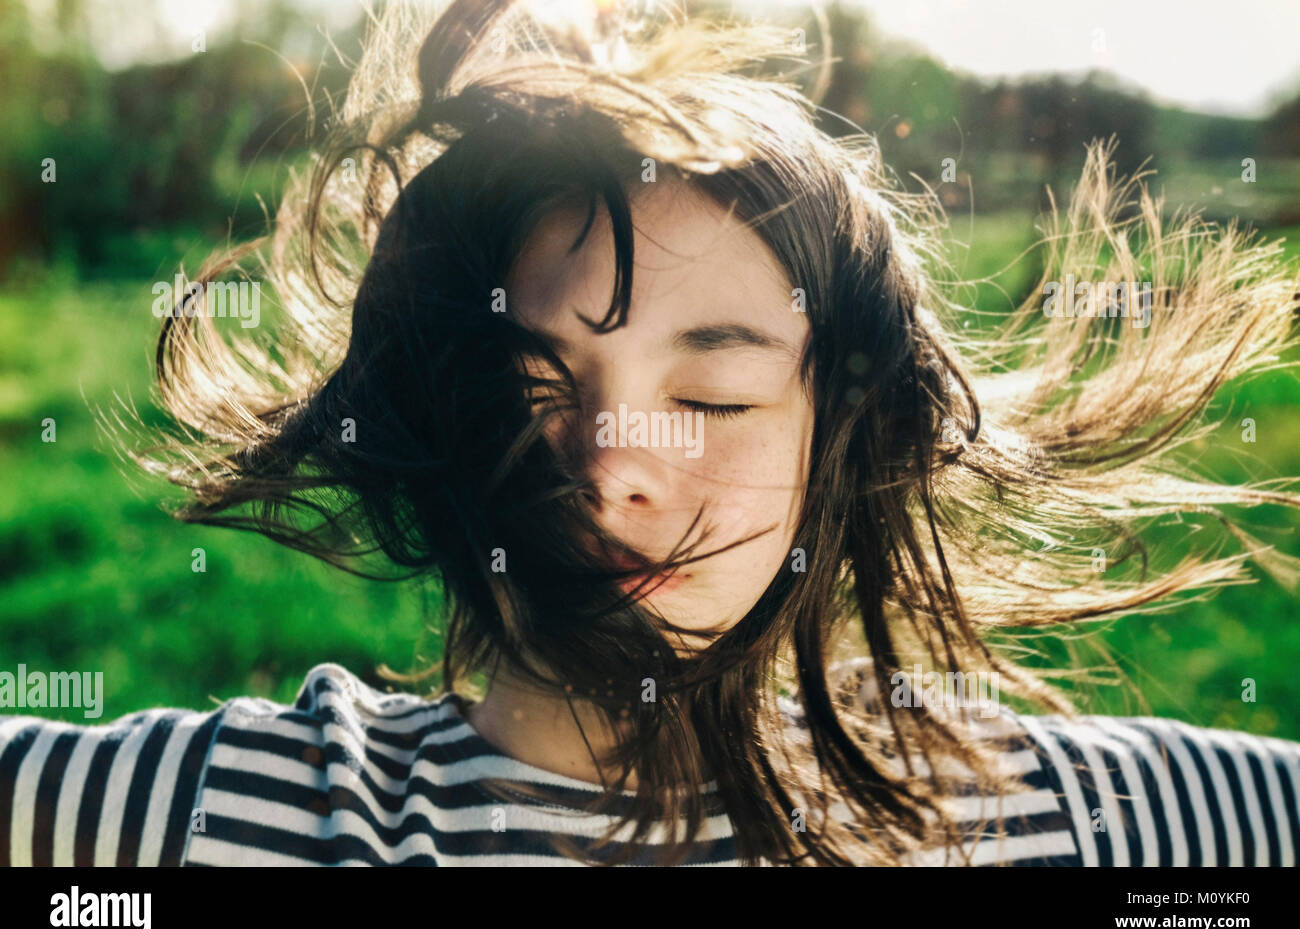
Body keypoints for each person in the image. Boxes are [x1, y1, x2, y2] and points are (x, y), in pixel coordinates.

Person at [4, 0, 1300, 866]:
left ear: (836, 437)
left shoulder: (1081, 828)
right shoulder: (237, 822)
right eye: (531, 390)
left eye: (716, 400)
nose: (615, 464)